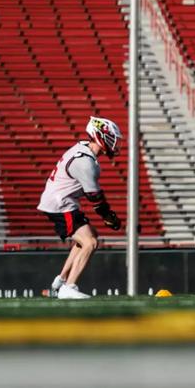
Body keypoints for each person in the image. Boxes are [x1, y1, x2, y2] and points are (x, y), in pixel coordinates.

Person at [38, 117, 123, 299]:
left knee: (89, 235)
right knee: (90, 243)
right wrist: (110, 217)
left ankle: (60, 282)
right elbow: (96, 199)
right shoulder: (85, 162)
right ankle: (69, 287)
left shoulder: (83, 149)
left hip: (61, 201)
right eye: (112, 137)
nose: (115, 143)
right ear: (100, 136)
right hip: (60, 204)